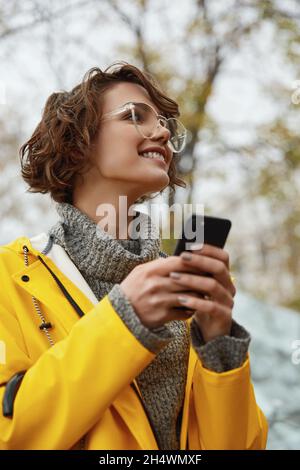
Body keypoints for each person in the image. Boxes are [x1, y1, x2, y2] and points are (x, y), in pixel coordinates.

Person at [0, 62, 268, 450]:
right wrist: (125, 320)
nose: (161, 132)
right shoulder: (9, 275)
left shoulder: (183, 290)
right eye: (134, 116)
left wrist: (219, 345)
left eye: (163, 123)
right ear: (78, 142)